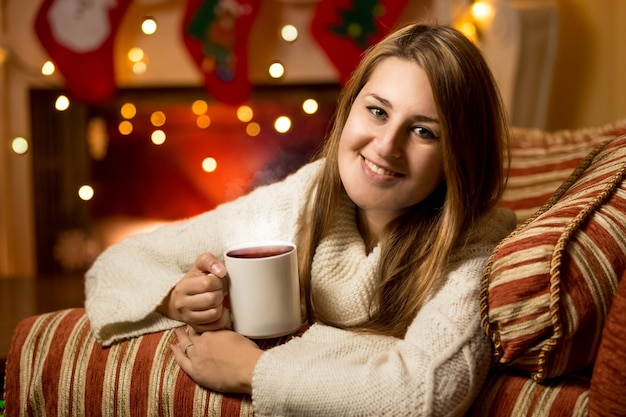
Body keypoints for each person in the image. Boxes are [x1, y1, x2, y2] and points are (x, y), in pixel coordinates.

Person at [85, 22, 516, 416]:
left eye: (424, 131)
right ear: (349, 110)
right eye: (378, 111)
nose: (386, 146)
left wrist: (254, 370)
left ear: (459, 156)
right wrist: (175, 297)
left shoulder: (477, 242)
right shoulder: (305, 197)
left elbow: (425, 393)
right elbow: (117, 266)